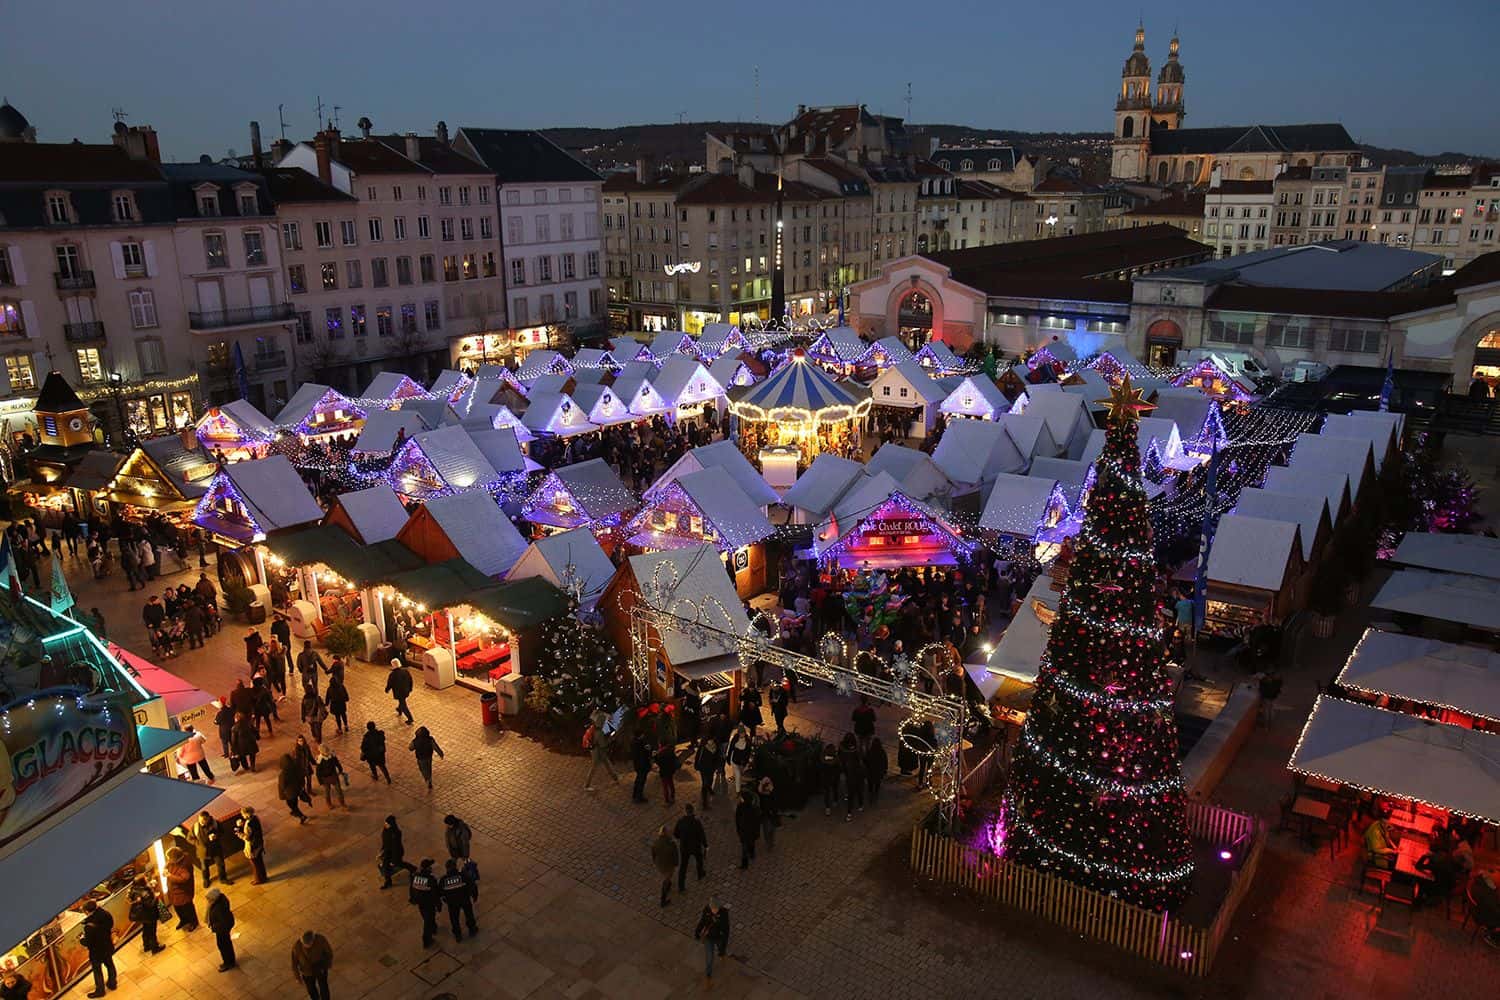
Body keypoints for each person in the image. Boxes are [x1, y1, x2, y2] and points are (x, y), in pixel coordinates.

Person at [80, 900, 116, 997]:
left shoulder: (89, 927)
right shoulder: (106, 914)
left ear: (87, 911)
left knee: (97, 970)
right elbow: (111, 925)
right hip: (107, 945)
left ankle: (100, 990)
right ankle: (112, 983)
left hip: (96, 952)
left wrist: (81, 939)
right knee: (110, 964)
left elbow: (88, 942)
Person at [439, 858, 478, 940]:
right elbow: (472, 885)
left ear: (447, 868)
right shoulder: (462, 875)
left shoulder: (444, 880)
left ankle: (457, 934)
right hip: (464, 900)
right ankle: (472, 929)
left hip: (452, 903)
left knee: (454, 919)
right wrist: (474, 896)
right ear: (455, 866)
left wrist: (446, 900)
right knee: (469, 915)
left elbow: (441, 893)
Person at [694, 898, 731, 982]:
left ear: (719, 907)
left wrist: (724, 946)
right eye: (712, 908)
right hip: (709, 937)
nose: (713, 910)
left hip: (719, 937)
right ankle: (708, 977)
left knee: (721, 949)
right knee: (709, 959)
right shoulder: (707, 910)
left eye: (715, 908)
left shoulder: (724, 913)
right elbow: (702, 922)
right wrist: (697, 932)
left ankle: (722, 954)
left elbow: (726, 930)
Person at [192, 810, 232, 887]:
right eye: (200, 820)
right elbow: (189, 838)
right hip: (203, 851)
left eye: (203, 821)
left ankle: (223, 878)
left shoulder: (215, 823)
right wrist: (198, 843)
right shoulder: (196, 827)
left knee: (220, 864)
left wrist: (216, 836)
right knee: (204, 867)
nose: (201, 822)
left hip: (216, 849)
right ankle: (206, 880)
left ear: (208, 819)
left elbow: (222, 831)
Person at [290, 930, 333, 1000]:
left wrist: (327, 965)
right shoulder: (296, 947)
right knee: (311, 989)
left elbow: (329, 953)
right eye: (305, 944)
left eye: (309, 944)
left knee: (323, 986)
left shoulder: (321, 940)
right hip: (307, 972)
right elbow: (294, 964)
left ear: (313, 940)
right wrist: (297, 977)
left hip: (320, 968)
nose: (307, 946)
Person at [127, 875, 165, 954]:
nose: (147, 879)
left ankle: (146, 946)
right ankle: (155, 947)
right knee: (152, 931)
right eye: (145, 878)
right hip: (149, 915)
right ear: (142, 882)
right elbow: (150, 904)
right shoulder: (145, 892)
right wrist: (156, 897)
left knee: (146, 930)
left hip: (141, 916)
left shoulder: (133, 890)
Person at [674, 804, 708, 891]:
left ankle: (681, 886)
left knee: (683, 867)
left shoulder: (680, 821)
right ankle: (700, 874)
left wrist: (681, 837)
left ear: (685, 812)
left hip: (685, 848)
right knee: (699, 860)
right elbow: (701, 835)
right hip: (696, 846)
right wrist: (705, 845)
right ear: (693, 811)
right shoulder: (697, 822)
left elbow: (676, 834)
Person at [409, 859, 441, 947]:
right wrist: (438, 905)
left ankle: (434, 928)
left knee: (427, 917)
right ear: (427, 868)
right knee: (428, 920)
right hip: (428, 903)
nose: (431, 868)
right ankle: (426, 939)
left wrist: (412, 899)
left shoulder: (415, 877)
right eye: (430, 867)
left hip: (420, 902)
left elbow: (411, 889)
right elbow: (435, 894)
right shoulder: (430, 880)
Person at [165, 847, 199, 931]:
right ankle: (183, 920)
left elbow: (184, 879)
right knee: (178, 908)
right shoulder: (173, 861)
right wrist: (165, 869)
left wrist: (169, 876)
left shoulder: (184, 865)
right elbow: (168, 864)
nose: (168, 860)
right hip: (174, 892)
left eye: (170, 858)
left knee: (188, 908)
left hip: (183, 892)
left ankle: (193, 922)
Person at [380, 815, 418, 889]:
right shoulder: (385, 830)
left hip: (396, 852)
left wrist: (393, 859)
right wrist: (382, 851)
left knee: (399, 863)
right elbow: (384, 842)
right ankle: (388, 882)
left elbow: (396, 847)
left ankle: (412, 868)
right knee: (385, 866)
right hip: (387, 852)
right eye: (385, 823)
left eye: (387, 824)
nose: (385, 825)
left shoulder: (396, 833)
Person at [206, 889, 236, 971]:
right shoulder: (220, 901)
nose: (208, 901)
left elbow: (223, 922)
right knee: (226, 944)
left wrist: (214, 927)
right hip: (223, 928)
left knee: (223, 946)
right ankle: (230, 961)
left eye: (209, 899)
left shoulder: (218, 908)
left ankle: (228, 963)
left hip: (222, 930)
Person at [237, 806, 268, 884]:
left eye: (243, 814)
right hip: (259, 844)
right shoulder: (255, 819)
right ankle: (263, 877)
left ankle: (258, 879)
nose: (242, 816)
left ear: (247, 814)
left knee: (255, 864)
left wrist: (239, 834)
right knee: (260, 862)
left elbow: (248, 837)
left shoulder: (249, 824)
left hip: (253, 846)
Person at [839, 732, 866, 821]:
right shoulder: (855, 749)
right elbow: (860, 756)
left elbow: (840, 755)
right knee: (859, 792)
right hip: (856, 778)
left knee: (851, 794)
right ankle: (860, 804)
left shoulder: (842, 747)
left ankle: (850, 812)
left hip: (849, 774)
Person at [651, 825, 679, 907]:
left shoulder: (656, 842)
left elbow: (653, 854)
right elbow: (675, 855)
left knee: (667, 877)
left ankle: (668, 884)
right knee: (666, 880)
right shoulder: (671, 843)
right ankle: (663, 900)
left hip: (660, 865)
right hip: (669, 866)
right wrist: (676, 863)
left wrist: (655, 862)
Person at [278, 753, 310, 823]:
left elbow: (283, 785)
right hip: (297, 790)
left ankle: (301, 815)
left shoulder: (283, 774)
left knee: (291, 805)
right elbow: (302, 777)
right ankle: (295, 812)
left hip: (289, 793)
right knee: (295, 803)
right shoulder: (296, 768)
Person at [410, 726, 444, 791]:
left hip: (421, 758)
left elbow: (410, 748)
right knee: (429, 768)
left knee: (422, 769)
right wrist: (440, 753)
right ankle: (429, 779)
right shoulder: (430, 739)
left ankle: (427, 780)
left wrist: (414, 741)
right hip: (429, 757)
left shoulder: (416, 741)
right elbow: (435, 747)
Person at [734, 789, 761, 869]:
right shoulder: (754, 808)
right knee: (751, 843)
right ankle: (752, 854)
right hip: (751, 831)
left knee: (744, 848)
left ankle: (745, 864)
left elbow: (737, 819)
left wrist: (738, 829)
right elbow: (757, 822)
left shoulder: (740, 807)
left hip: (744, 831)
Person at [385, 658, 414, 724]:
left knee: (403, 705)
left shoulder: (393, 674)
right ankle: (399, 709)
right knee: (402, 701)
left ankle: (410, 718)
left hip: (399, 692)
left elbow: (390, 683)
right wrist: (410, 688)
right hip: (406, 691)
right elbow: (410, 680)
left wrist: (387, 689)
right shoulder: (405, 671)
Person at [693, 739, 720, 809]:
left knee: (708, 782)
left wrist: (716, 766)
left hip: (707, 769)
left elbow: (717, 759)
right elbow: (698, 757)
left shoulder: (714, 748)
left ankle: (709, 789)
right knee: (705, 784)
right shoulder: (709, 748)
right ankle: (704, 803)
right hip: (706, 769)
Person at [630, 730, 653, 804]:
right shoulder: (642, 743)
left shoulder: (633, 742)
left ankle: (635, 794)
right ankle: (639, 796)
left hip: (637, 764)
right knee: (641, 780)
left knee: (638, 779)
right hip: (643, 765)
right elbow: (649, 749)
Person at [820, 742, 843, 817]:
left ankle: (827, 808)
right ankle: (835, 800)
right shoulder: (836, 758)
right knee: (835, 789)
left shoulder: (823, 758)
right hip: (834, 778)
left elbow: (821, 768)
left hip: (825, 778)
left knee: (826, 793)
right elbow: (839, 767)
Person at [865, 736, 889, 805]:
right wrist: (885, 770)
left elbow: (866, 761)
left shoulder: (870, 751)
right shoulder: (882, 752)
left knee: (870, 784)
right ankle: (875, 794)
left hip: (871, 772)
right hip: (878, 772)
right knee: (877, 784)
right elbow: (885, 761)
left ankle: (870, 795)